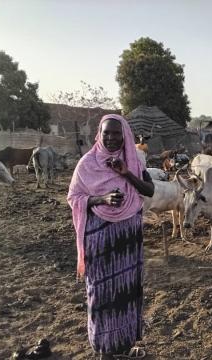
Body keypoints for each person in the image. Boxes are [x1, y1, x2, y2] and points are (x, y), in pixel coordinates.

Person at [68, 114, 154, 359]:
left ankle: (124, 345)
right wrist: (101, 199)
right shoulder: (87, 163)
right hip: (100, 242)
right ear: (99, 133)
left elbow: (149, 190)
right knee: (101, 294)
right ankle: (105, 350)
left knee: (125, 292)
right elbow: (74, 198)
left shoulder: (134, 160)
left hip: (127, 241)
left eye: (116, 133)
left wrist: (126, 173)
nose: (111, 138)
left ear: (125, 135)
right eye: (106, 132)